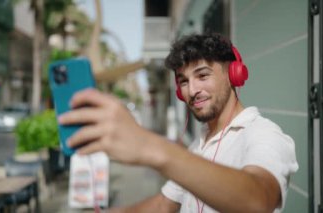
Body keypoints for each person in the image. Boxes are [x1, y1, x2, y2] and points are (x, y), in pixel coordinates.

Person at [58, 33, 298, 212]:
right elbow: (164, 204)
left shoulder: (265, 134)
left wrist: (149, 147)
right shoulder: (198, 145)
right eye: (183, 81)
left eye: (203, 75)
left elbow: (258, 200)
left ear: (234, 74)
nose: (192, 90)